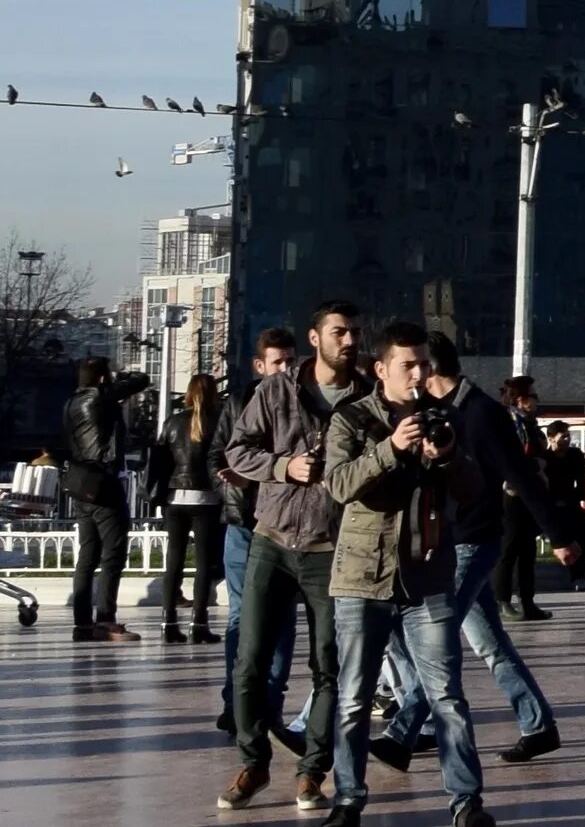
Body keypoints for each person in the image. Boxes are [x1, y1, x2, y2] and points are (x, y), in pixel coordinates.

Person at [370, 335, 579, 772]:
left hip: (473, 542)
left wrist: (559, 535)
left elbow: (521, 476)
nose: (415, 376)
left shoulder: (482, 413)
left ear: (435, 371)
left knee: (437, 639)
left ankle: (403, 732)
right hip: (446, 540)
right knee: (489, 643)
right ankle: (538, 724)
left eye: (421, 368)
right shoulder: (433, 412)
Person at [323, 319, 492, 827]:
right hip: (361, 576)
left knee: (447, 697)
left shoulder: (444, 419)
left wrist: (447, 458)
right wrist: (391, 448)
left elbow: (473, 490)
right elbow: (338, 484)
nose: (419, 374)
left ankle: (466, 802)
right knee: (354, 698)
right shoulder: (351, 419)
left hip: (427, 575)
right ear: (382, 370)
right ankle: (348, 799)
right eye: (408, 365)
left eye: (424, 364)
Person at [222, 299, 366, 815]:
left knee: (330, 665)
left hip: (333, 548)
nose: (348, 341)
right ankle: (253, 762)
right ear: (315, 338)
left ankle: (312, 772)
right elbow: (237, 451)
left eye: (353, 333)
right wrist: (284, 466)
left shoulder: (365, 397)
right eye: (338, 332)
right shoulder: (276, 390)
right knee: (250, 661)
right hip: (272, 538)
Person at [218, 328, 303, 740]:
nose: (285, 369)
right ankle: (237, 702)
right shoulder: (238, 403)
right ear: (260, 366)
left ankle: (269, 704)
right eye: (277, 362)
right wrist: (238, 477)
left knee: (283, 619)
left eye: (290, 360)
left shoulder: (303, 401)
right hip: (244, 522)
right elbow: (219, 453)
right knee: (241, 617)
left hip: (286, 525)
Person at [60, 352, 151, 642]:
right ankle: (106, 620)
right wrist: (117, 382)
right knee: (113, 553)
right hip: (103, 483)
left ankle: (82, 623)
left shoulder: (71, 402)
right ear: (102, 378)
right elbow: (142, 379)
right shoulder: (99, 397)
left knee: (86, 556)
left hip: (80, 484)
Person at [158, 370, 231, 645]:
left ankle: (168, 623)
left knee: (173, 563)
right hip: (206, 499)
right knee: (204, 564)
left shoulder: (173, 422)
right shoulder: (217, 423)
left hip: (175, 497)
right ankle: (199, 623)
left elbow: (161, 458)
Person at [491, 377, 548, 621]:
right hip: (512, 493)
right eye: (532, 396)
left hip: (530, 492)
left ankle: (527, 600)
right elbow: (508, 457)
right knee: (509, 548)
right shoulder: (511, 422)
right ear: (520, 399)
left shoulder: (530, 423)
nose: (536, 401)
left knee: (527, 549)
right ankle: (501, 600)